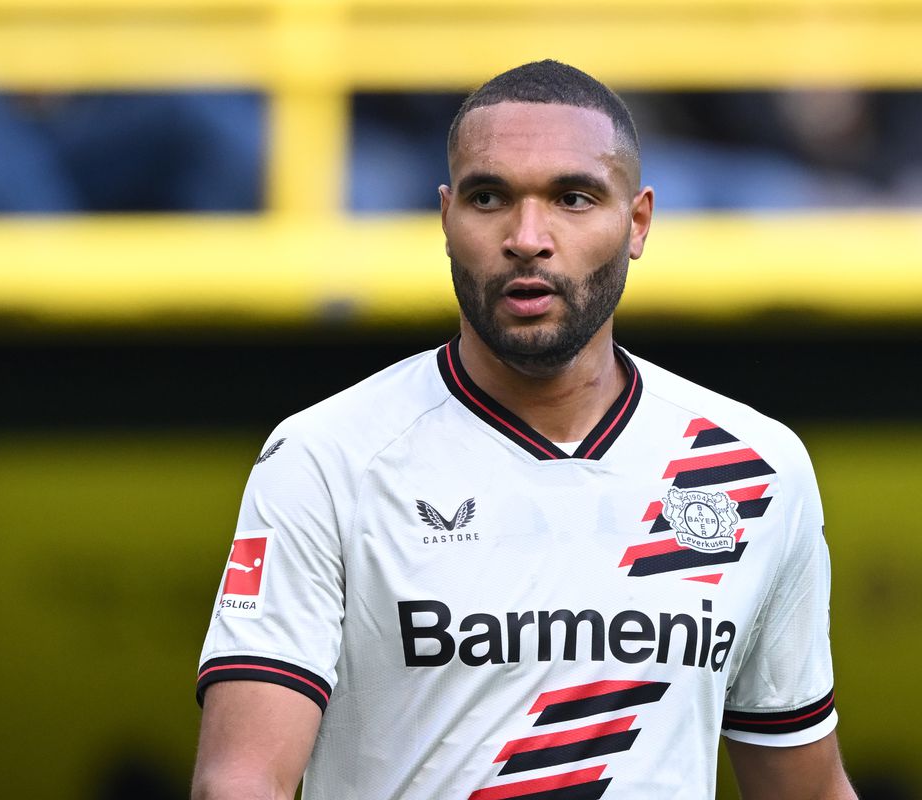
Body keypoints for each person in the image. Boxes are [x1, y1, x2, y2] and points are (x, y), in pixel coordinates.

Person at [192, 60, 856, 800]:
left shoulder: (752, 467)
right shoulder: (327, 457)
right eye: (489, 198)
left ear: (637, 222)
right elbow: (241, 781)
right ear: (446, 219)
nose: (528, 237)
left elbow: (808, 788)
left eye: (573, 198)